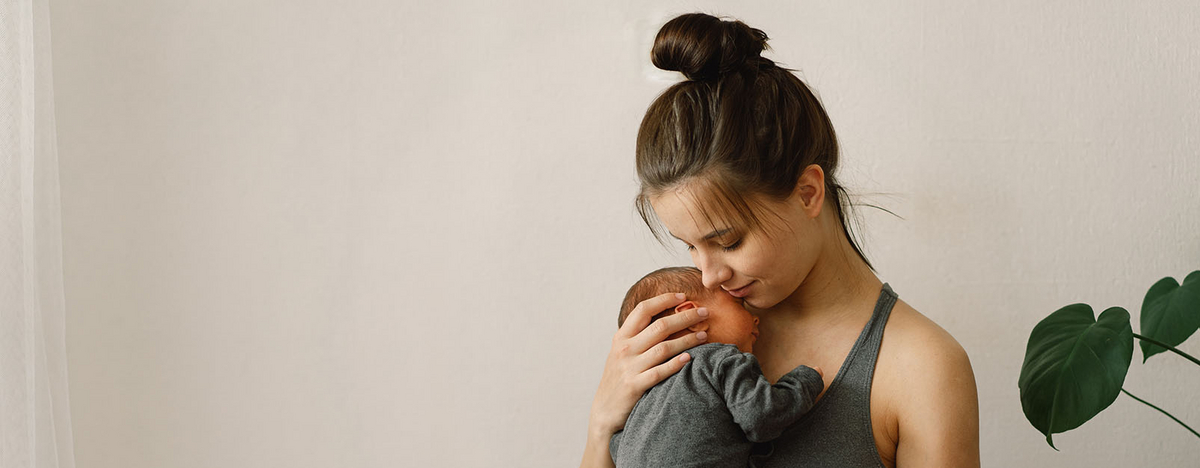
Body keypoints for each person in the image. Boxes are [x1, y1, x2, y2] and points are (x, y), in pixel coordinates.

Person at [581, 12, 980, 468]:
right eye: (689, 245)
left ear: (808, 192)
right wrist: (600, 426)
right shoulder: (692, 332)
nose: (709, 275)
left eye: (728, 241)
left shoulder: (921, 368)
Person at [610, 266, 825, 467]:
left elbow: (616, 447)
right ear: (692, 317)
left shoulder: (644, 397)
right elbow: (761, 417)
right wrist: (803, 382)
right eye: (739, 306)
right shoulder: (720, 359)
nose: (756, 318)